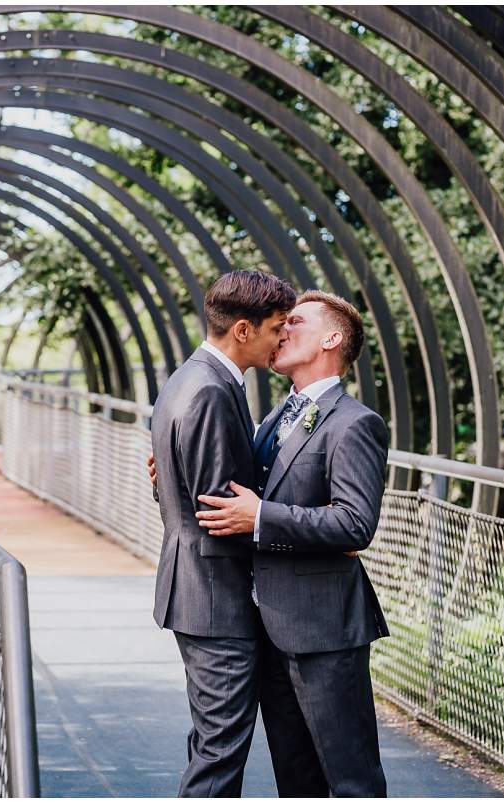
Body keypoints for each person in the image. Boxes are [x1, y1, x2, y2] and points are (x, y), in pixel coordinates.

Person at [195, 291, 391, 797]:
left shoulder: (355, 423)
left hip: (324, 629)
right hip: (268, 629)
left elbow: (354, 524)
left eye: (295, 322)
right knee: (296, 780)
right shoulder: (275, 419)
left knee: (350, 779)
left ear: (332, 339)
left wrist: (264, 517)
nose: (281, 330)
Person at [150, 270, 295, 797]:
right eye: (277, 327)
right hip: (214, 595)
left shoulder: (191, 379)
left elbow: (183, 485)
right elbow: (217, 508)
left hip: (202, 589)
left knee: (213, 740)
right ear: (242, 329)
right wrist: (301, 531)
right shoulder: (212, 390)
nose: (283, 337)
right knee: (220, 748)